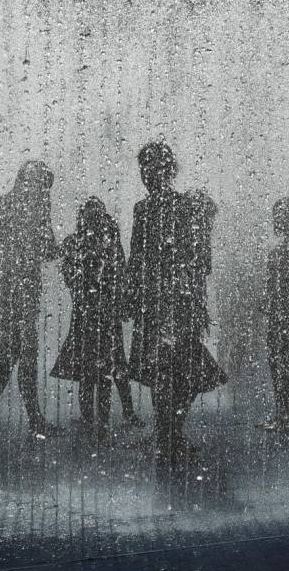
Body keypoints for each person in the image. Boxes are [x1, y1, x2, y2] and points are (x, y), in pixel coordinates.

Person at [125, 143, 227, 469]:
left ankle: (169, 432)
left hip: (175, 303)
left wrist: (195, 298)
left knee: (182, 372)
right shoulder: (147, 210)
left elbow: (199, 262)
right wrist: (131, 295)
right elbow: (136, 258)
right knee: (167, 373)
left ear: (168, 171)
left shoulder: (184, 208)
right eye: (143, 168)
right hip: (160, 303)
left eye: (152, 167)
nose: (147, 174)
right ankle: (168, 435)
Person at [0, 160, 60, 443]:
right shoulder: (15, 208)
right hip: (15, 290)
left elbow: (43, 250)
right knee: (11, 358)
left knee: (20, 357)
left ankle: (31, 420)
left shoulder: (3, 205)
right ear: (28, 181)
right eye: (42, 187)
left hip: (16, 289)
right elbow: (45, 250)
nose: (44, 193)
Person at [50, 197, 141, 437]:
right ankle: (95, 418)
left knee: (106, 367)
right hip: (90, 314)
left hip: (100, 314)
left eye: (97, 215)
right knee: (94, 369)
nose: (93, 220)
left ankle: (105, 417)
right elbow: (70, 274)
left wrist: (120, 300)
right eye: (90, 215)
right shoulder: (80, 243)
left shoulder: (105, 243)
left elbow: (120, 272)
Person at [259, 196, 289, 442]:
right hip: (280, 307)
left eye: (279, 215)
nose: (275, 219)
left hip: (288, 308)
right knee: (277, 361)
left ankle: (283, 415)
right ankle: (280, 413)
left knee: (282, 361)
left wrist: (273, 299)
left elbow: (288, 276)